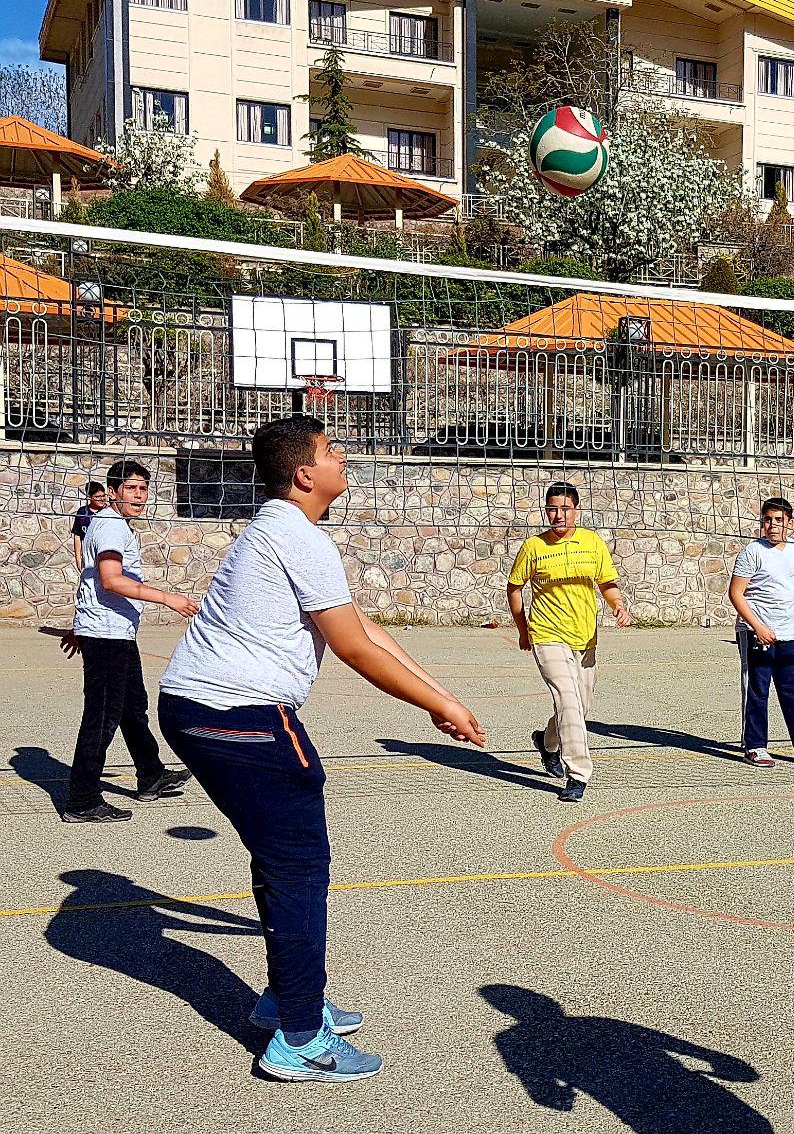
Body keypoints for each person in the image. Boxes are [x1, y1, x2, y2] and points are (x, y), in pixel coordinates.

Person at [158, 417, 486, 1083]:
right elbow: (355, 649)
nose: (345, 457)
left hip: (202, 708)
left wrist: (441, 694)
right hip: (237, 716)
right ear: (306, 474)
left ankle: (290, 997)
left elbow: (359, 625)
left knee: (281, 859)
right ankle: (300, 1038)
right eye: (333, 450)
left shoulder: (283, 533)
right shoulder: (295, 534)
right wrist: (437, 706)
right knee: (300, 866)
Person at [61, 460, 197, 823]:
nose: (140, 495)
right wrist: (168, 598)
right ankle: (82, 799)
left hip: (113, 631)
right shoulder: (110, 527)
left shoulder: (113, 524)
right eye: (132, 488)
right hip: (106, 635)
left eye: (143, 488)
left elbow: (90, 579)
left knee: (132, 707)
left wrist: (79, 625)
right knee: (102, 714)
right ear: (114, 492)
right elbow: (110, 579)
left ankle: (150, 774)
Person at [508, 481, 631, 804]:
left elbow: (607, 583)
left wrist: (617, 605)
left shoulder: (592, 543)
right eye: (552, 508)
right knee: (568, 698)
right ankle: (577, 774)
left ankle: (547, 742)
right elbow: (514, 588)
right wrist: (523, 630)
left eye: (564, 508)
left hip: (585, 636)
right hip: (546, 633)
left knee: (578, 705)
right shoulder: (534, 547)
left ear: (576, 509)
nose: (557, 514)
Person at [729, 496, 794, 768]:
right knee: (757, 690)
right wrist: (757, 626)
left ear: (790, 524)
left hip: (788, 634)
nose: (772, 526)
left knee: (793, 689)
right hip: (755, 632)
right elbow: (735, 593)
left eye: (778, 520)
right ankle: (755, 746)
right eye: (767, 520)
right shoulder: (752, 552)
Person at [71, 480, 107, 574]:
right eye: (97, 497)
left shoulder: (108, 512)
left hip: (105, 557)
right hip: (89, 558)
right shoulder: (82, 513)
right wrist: (78, 560)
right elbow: (77, 536)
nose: (102, 499)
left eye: (103, 496)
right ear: (89, 497)